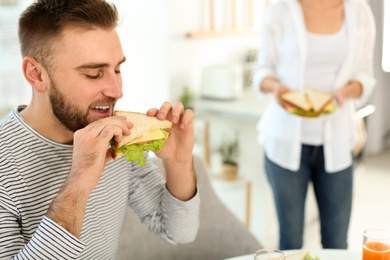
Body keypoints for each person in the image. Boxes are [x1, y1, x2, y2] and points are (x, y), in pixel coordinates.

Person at [0, 0, 199, 259]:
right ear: (36, 75)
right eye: (94, 74)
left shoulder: (116, 138)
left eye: (117, 69)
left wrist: (179, 163)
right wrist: (79, 183)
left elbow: (178, 231)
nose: (117, 91)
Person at [253, 0, 375, 250]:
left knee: (336, 243)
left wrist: (344, 92)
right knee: (290, 243)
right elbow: (262, 72)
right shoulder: (279, 10)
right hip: (285, 143)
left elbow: (364, 77)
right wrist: (276, 88)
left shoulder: (359, 11)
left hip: (338, 144)